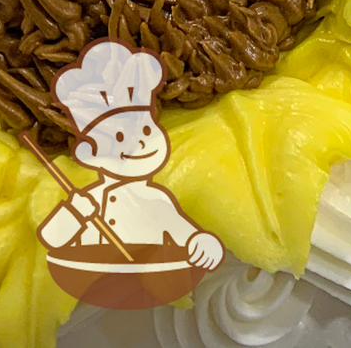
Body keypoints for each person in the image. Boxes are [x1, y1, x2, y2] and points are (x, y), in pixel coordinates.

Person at [37, 39, 223, 270]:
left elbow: (186, 234)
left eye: (145, 130)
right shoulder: (90, 198)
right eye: (118, 139)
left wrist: (203, 244)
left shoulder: (158, 198)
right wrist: (75, 212)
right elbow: (53, 238)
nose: (141, 143)